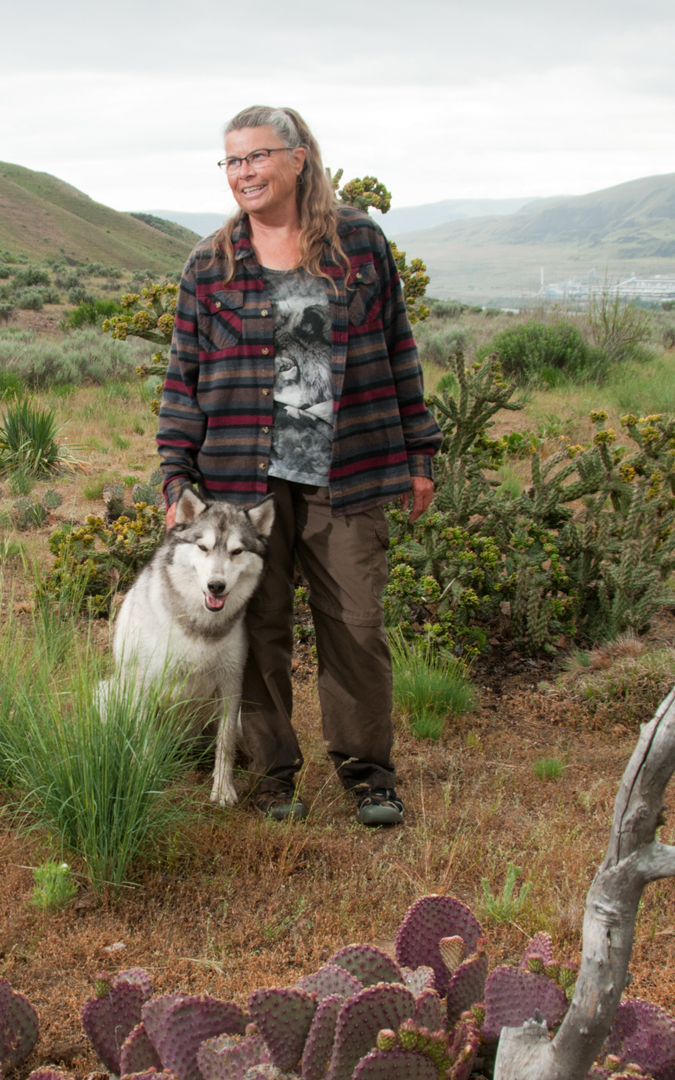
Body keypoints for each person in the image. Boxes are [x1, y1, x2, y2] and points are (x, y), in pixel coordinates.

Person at [157, 105, 441, 827]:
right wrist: (174, 475)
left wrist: (419, 450)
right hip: (241, 481)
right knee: (259, 629)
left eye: (256, 157)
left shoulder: (361, 245)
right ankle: (273, 774)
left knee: (355, 622)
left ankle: (369, 773)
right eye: (232, 161)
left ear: (298, 159)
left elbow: (399, 348)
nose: (243, 173)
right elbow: (183, 378)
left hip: (346, 469)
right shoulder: (210, 265)